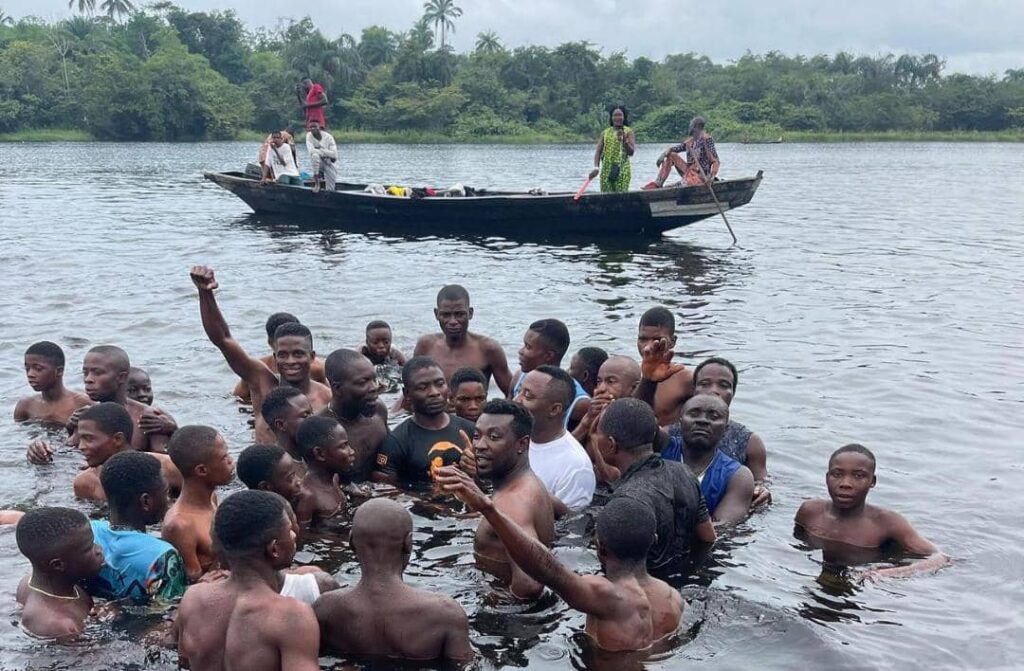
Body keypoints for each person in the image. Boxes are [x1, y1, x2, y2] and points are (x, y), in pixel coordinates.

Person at [439, 474, 682, 652]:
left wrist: (487, 507)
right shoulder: (673, 599)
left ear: (600, 546)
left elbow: (546, 568)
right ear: (653, 541)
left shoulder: (608, 597)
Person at [174, 490, 320, 671]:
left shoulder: (193, 599)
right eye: (289, 530)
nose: (293, 535)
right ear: (274, 549)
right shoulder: (291, 616)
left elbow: (183, 663)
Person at [313, 498, 473, 664]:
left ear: (351, 541)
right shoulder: (446, 614)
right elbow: (464, 664)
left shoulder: (324, 609)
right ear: (408, 543)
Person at [190, 266, 331, 445]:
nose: (290, 361)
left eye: (298, 354)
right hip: (265, 468)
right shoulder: (263, 382)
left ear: (311, 357)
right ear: (274, 355)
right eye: (283, 355)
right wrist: (205, 293)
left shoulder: (326, 398)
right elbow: (223, 340)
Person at [596, 399, 716, 576]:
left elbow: (617, 569)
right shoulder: (684, 472)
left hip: (644, 591)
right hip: (682, 582)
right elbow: (708, 538)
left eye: (598, 434)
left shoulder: (625, 501)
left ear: (611, 444)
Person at [795, 444, 949, 581]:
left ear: (872, 481)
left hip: (862, 591)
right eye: (837, 474)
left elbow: (939, 558)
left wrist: (885, 574)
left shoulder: (887, 523)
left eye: (858, 476)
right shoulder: (810, 512)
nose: (845, 484)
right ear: (827, 478)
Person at [465, 400, 554, 599]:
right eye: (477, 435)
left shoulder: (512, 501)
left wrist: (493, 604)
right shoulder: (532, 485)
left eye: (494, 437)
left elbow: (529, 584)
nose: (479, 446)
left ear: (522, 444)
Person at [87, 451, 188, 603]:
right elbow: (168, 614)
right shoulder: (162, 556)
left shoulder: (88, 532)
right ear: (146, 501)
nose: (168, 499)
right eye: (165, 492)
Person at [681, 357, 770, 508]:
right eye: (705, 384)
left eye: (723, 385)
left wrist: (763, 491)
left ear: (732, 393)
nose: (714, 391)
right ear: (694, 390)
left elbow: (761, 481)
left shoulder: (750, 442)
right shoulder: (672, 433)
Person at [374, 357, 475, 487]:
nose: (434, 392)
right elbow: (385, 493)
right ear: (407, 394)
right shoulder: (396, 442)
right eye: (423, 387)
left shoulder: (471, 430)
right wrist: (427, 500)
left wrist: (472, 473)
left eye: (440, 384)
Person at [513, 366, 595, 514]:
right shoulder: (514, 438)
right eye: (519, 391)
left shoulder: (575, 466)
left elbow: (571, 528)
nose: (516, 400)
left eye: (528, 396)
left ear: (555, 409)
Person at [660, 395, 754, 525]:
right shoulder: (661, 446)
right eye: (694, 414)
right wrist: (649, 383)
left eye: (714, 417)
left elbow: (721, 528)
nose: (703, 421)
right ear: (680, 422)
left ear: (726, 429)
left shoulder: (739, 476)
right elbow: (637, 418)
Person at [15, 507, 104, 639]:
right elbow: (92, 657)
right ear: (58, 565)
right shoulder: (62, 626)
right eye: (89, 548)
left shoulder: (28, 582)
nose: (99, 550)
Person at [162, 425, 235, 582]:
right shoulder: (180, 525)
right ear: (202, 470)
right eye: (224, 458)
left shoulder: (212, 498)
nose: (231, 461)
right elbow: (191, 583)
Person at [72, 402, 182, 502]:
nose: (81, 447)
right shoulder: (86, 483)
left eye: (89, 438)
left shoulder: (166, 467)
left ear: (117, 439)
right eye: (80, 439)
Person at [414, 284, 512, 396]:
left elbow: (512, 393)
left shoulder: (488, 349)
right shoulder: (426, 346)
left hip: (473, 411)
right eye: (446, 315)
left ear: (470, 313)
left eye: (459, 314)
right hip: (436, 412)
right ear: (436, 314)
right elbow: (412, 389)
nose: (453, 321)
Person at [319, 349, 389, 482]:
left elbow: (391, 456)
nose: (374, 387)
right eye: (363, 383)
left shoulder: (379, 410)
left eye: (374, 379)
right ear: (337, 388)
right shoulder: (321, 429)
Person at [572, 355, 643, 482]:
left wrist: (594, 441)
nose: (601, 389)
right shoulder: (591, 416)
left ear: (634, 388)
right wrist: (585, 423)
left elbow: (617, 479)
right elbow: (559, 453)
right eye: (599, 381)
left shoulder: (640, 422)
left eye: (611, 381)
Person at [509, 319, 590, 429]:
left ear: (549, 356)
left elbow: (578, 443)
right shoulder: (519, 377)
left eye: (528, 347)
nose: (520, 351)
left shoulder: (579, 403)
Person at [233, 312, 328, 402]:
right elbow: (238, 399)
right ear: (271, 342)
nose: (291, 361)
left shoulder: (317, 369)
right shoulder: (258, 372)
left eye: (298, 353)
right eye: (283, 353)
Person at [633, 307, 694, 426]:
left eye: (657, 339)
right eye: (643, 339)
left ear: (672, 341)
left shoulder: (686, 379)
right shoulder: (627, 374)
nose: (648, 347)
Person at [294, 416, 354, 524]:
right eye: (343, 446)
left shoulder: (335, 479)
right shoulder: (308, 498)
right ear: (320, 454)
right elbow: (303, 536)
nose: (352, 451)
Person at [14, 341, 91, 425]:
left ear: (59, 371)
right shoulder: (25, 405)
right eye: (27, 368)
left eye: (38, 369)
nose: (30, 374)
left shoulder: (81, 403)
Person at [649, 115, 720, 189]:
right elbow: (675, 148)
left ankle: (682, 184)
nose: (690, 128)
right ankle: (658, 183)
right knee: (672, 155)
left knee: (680, 185)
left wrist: (711, 177)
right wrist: (664, 154)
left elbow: (716, 161)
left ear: (696, 127)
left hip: (701, 176)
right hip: (689, 172)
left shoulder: (707, 140)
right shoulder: (689, 142)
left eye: (691, 126)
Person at [237, 443, 304, 508]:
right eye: (291, 478)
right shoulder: (272, 517)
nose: (299, 481)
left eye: (296, 473)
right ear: (265, 487)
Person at [589, 106, 636, 193]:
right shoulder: (605, 133)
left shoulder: (628, 131)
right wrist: (596, 167)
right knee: (606, 198)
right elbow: (598, 152)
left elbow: (631, 152)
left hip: (622, 171)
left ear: (624, 117)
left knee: (621, 197)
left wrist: (624, 141)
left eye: (620, 115)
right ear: (611, 117)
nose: (617, 118)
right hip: (606, 170)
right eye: (615, 115)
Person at [260, 386, 314, 462]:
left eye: (312, 413)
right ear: (280, 425)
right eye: (305, 415)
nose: (313, 419)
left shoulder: (318, 453)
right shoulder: (273, 469)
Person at [360, 320, 407, 394]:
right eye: (375, 342)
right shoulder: (360, 356)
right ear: (367, 342)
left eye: (386, 342)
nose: (381, 346)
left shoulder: (395, 354)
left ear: (391, 341)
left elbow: (408, 371)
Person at [305, 119, 338, 193]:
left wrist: (320, 150)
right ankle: (317, 182)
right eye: (311, 127)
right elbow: (311, 151)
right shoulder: (309, 136)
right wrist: (327, 153)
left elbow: (334, 155)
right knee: (315, 156)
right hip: (319, 163)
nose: (312, 129)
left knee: (330, 189)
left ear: (319, 127)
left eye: (315, 126)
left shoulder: (328, 137)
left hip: (330, 163)